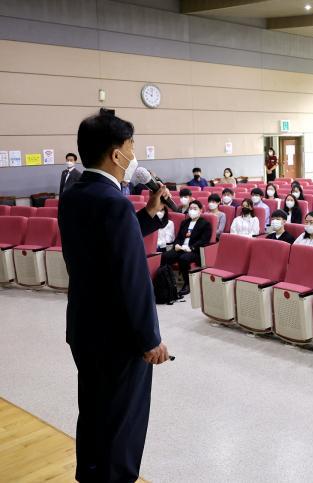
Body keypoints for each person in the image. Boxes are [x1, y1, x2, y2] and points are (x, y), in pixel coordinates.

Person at [58, 109, 170, 482]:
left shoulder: (75, 193)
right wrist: (149, 338)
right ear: (117, 154)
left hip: (84, 329)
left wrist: (149, 214)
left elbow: (107, 245)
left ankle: (89, 475)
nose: (135, 155)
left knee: (94, 412)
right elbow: (131, 279)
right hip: (118, 338)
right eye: (131, 146)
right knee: (122, 425)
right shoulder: (115, 203)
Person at [161, 200, 211, 296]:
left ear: (200, 210)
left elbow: (204, 241)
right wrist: (176, 245)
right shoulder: (184, 222)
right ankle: (167, 282)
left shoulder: (205, 224)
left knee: (183, 258)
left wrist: (191, 247)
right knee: (165, 256)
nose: (192, 210)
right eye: (190, 208)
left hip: (194, 251)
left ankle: (187, 284)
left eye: (195, 208)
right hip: (181, 249)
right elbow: (178, 237)